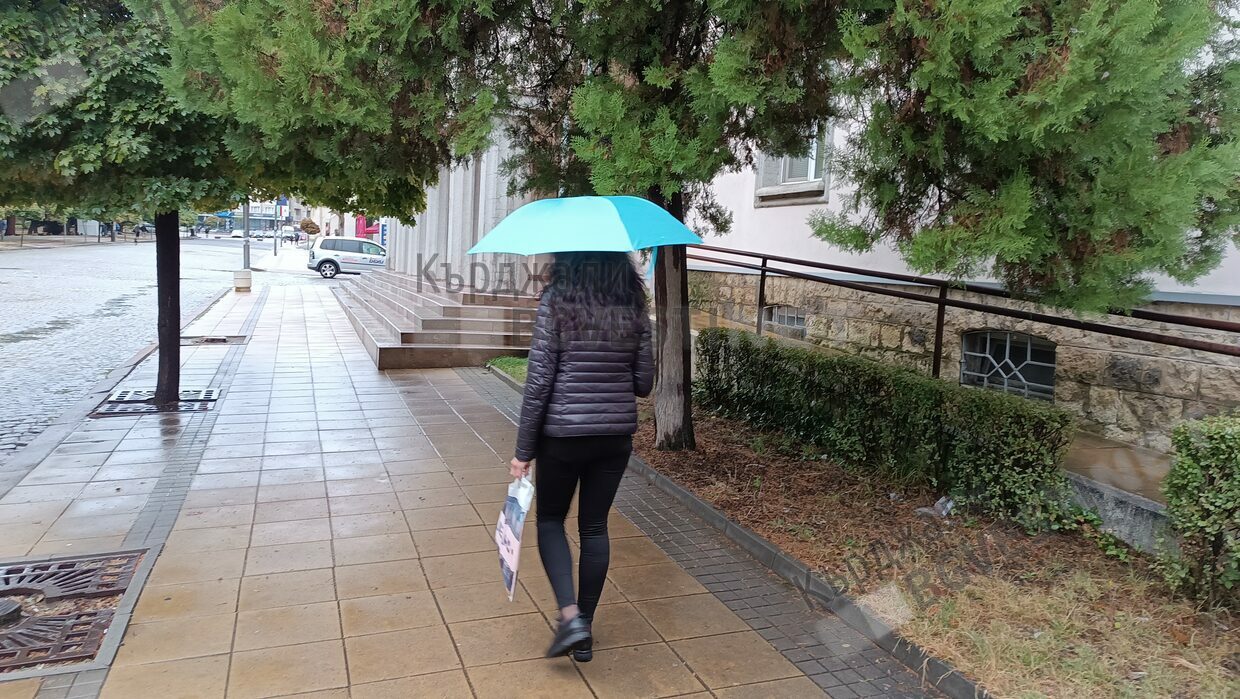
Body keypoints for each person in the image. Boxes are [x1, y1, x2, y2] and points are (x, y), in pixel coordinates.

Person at [510, 251, 654, 662]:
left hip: (562, 437)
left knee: (551, 521)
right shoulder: (633, 306)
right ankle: (584, 632)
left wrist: (523, 452)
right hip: (614, 438)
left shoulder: (556, 300)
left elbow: (539, 381)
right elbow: (644, 382)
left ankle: (571, 617)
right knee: (594, 527)